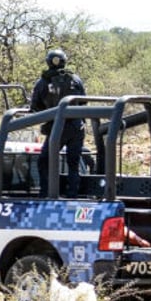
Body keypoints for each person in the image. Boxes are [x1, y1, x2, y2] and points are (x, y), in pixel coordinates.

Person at [30, 49, 86, 198]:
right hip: (76, 127)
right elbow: (84, 101)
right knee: (73, 164)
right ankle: (72, 194)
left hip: (56, 128)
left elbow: (35, 106)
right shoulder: (75, 79)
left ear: (48, 62)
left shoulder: (43, 81)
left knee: (44, 161)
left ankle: (46, 194)